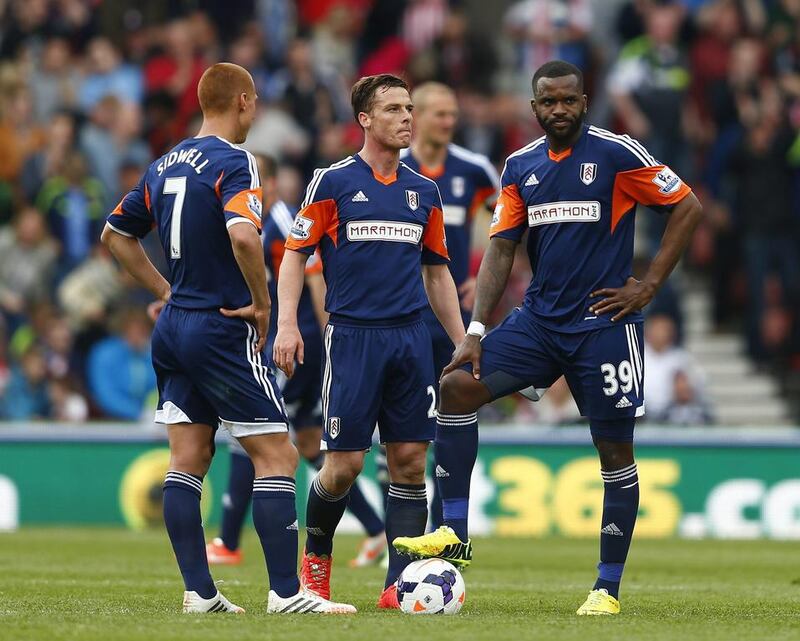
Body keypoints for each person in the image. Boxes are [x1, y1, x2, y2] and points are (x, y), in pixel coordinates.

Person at [393, 60, 703, 616]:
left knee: (614, 453)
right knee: (459, 385)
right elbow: (502, 247)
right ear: (534, 109)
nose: (559, 109)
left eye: (568, 100)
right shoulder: (520, 166)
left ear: (584, 103)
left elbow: (687, 205)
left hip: (603, 324)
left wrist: (649, 284)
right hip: (538, 321)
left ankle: (606, 588)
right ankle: (454, 531)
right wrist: (477, 330)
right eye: (548, 102)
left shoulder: (616, 153)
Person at [101, 62, 355, 615]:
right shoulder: (235, 161)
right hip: (221, 326)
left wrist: (166, 290)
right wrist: (262, 303)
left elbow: (115, 236)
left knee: (187, 458)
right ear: (242, 101)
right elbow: (244, 236)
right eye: (255, 100)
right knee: (279, 456)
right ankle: (288, 594)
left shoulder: (163, 162)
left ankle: (199, 592)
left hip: (174, 327)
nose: (256, 110)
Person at [273, 73, 465, 609]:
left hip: (410, 340)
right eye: (394, 109)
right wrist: (287, 323)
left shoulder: (423, 192)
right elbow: (295, 255)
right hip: (353, 337)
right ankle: (315, 565)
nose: (408, 117)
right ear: (365, 119)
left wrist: (461, 342)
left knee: (408, 461)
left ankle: (399, 586)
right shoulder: (332, 183)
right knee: (343, 467)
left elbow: (437, 273)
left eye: (410, 108)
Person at [206, 154, 387, 568]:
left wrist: (329, 339)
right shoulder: (253, 224)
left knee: (247, 430)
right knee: (307, 441)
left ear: (266, 184)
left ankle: (228, 541)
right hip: (292, 343)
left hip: (297, 345)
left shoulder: (284, 219)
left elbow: (314, 274)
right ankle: (376, 529)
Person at [398, 81, 499, 528]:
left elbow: (510, 227)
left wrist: (482, 276)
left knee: (454, 416)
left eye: (453, 114)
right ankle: (400, 531)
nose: (449, 122)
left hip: (453, 317)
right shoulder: (393, 167)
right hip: (402, 316)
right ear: (415, 116)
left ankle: (447, 525)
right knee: (406, 428)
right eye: (440, 113)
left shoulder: (474, 169)